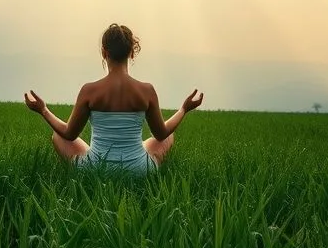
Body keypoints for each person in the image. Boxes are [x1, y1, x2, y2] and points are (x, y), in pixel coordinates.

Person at [23, 23, 204, 174]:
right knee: (168, 137)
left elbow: (69, 134)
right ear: (132, 53)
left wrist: (43, 110)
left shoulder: (89, 91)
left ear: (104, 52)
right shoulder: (146, 90)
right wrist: (183, 110)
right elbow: (161, 134)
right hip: (139, 170)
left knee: (58, 136)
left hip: (96, 169)